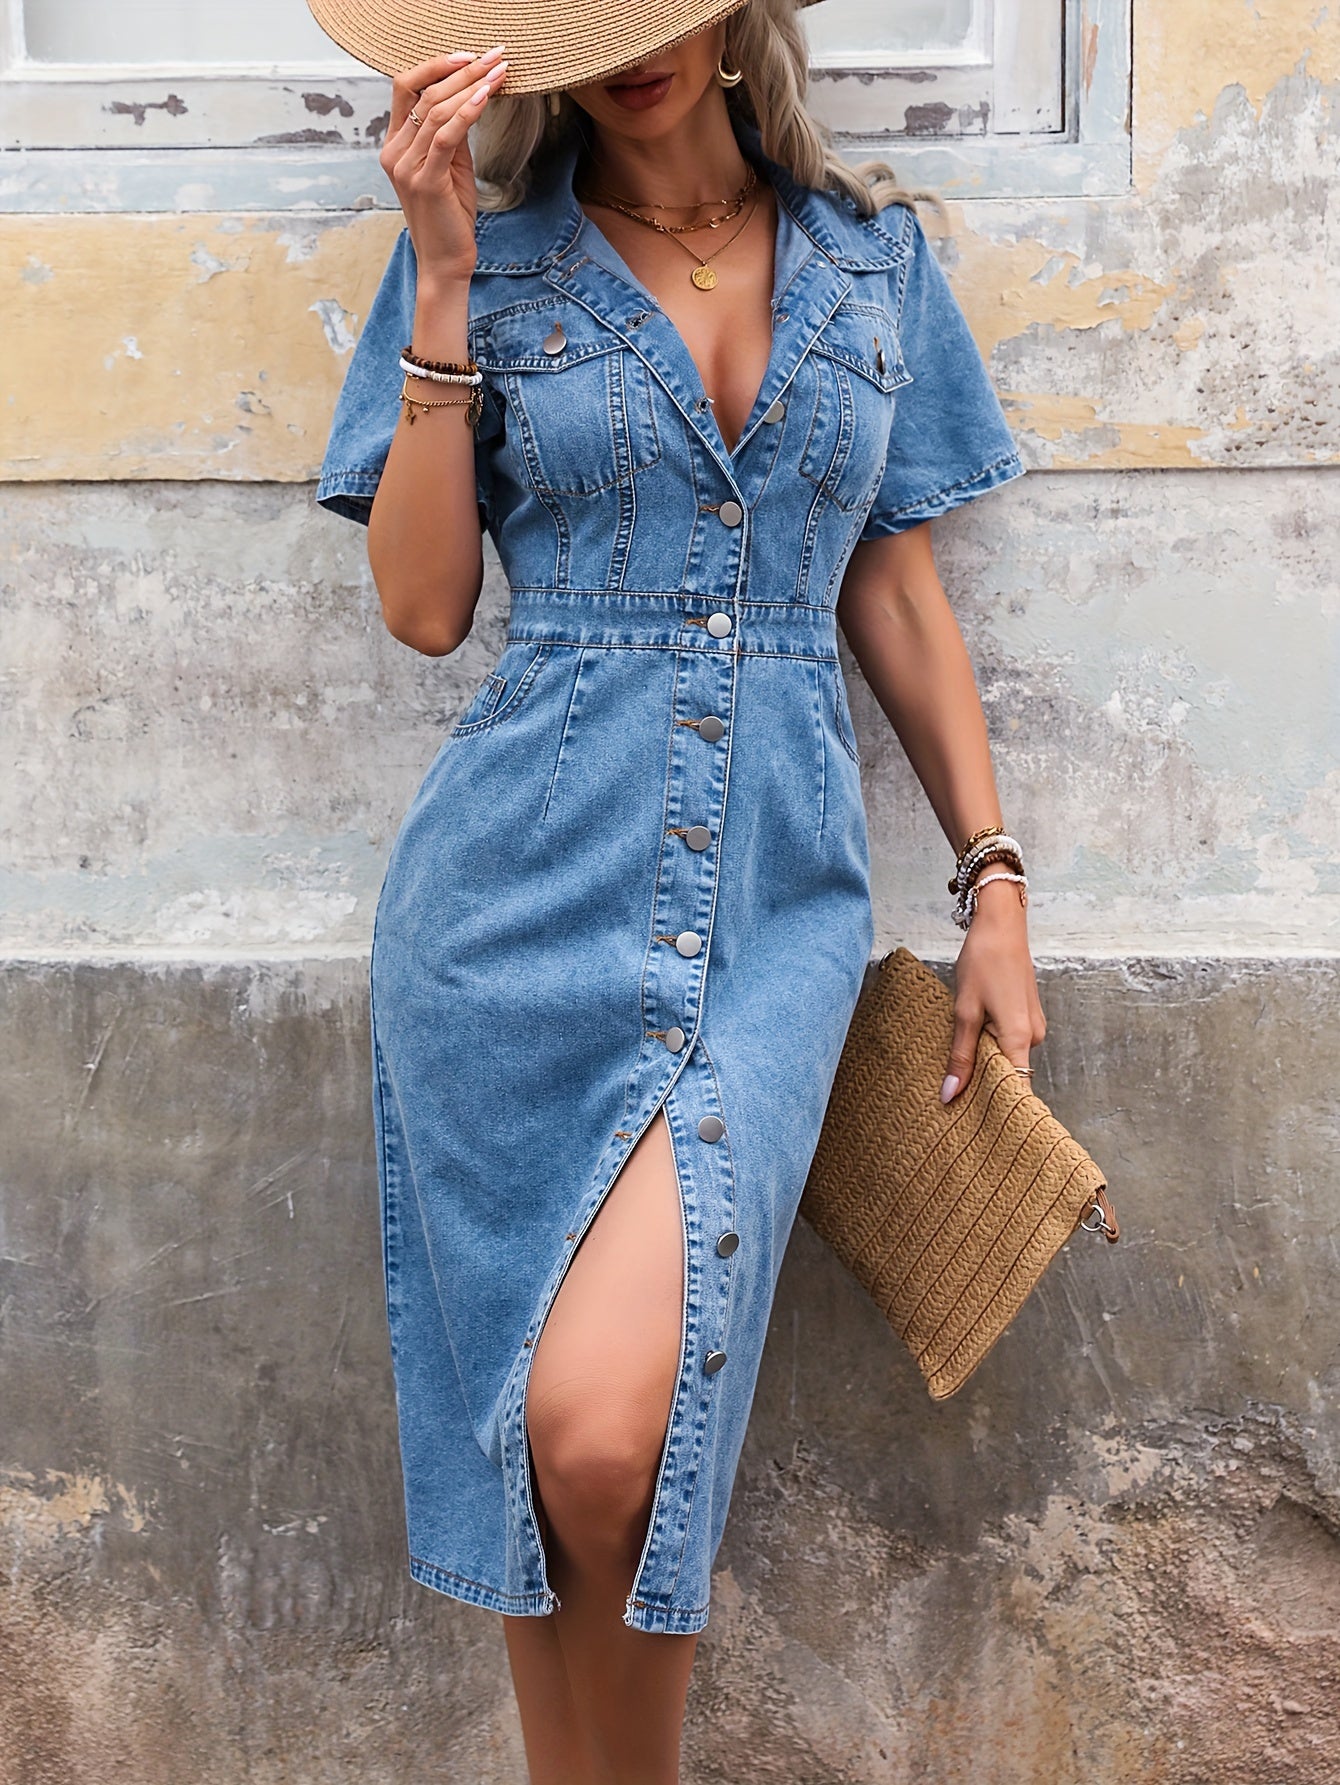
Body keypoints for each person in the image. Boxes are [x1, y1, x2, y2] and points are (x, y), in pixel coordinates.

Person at [312, 0, 1045, 1776]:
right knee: (554, 1450)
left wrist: (995, 881)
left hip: (772, 915)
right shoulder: (487, 261)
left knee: (604, 1431)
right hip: (511, 906)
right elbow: (423, 606)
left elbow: (894, 592)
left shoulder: (872, 266)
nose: (626, 43)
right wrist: (438, 277)